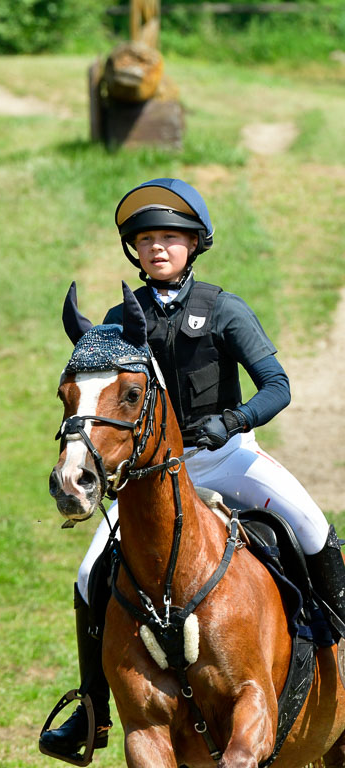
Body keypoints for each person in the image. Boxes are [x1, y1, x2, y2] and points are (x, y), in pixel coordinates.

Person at [39, 177, 345, 759]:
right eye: (147, 238)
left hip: (227, 458)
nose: (158, 247)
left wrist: (230, 422)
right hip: (151, 477)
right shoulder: (117, 320)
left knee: (312, 530)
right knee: (87, 576)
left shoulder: (224, 309)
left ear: (195, 244)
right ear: (134, 249)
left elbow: (277, 387)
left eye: (171, 238)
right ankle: (92, 713)